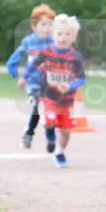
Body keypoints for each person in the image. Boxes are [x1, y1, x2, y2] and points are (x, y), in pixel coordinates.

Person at [24, 14, 86, 168]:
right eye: (60, 33)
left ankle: (60, 152)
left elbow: (81, 79)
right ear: (53, 35)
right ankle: (51, 139)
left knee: (65, 130)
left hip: (66, 100)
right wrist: (25, 77)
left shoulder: (76, 57)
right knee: (49, 119)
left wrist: (70, 86)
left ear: (74, 37)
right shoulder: (46, 52)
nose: (63, 37)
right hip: (48, 95)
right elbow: (33, 65)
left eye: (67, 34)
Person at [7, 4, 55, 151]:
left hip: (51, 84)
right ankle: (28, 134)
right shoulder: (29, 42)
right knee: (36, 108)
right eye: (43, 24)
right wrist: (14, 72)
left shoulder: (55, 42)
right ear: (34, 26)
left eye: (50, 25)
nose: (47, 28)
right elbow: (15, 57)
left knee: (50, 112)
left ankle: (51, 139)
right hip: (33, 83)